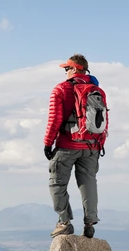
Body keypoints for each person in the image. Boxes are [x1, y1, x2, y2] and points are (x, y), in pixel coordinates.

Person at [43, 54, 108, 238]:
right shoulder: (97, 91)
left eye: (66, 69)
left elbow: (54, 119)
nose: (65, 72)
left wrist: (48, 143)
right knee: (88, 182)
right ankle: (90, 223)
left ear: (73, 69)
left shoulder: (61, 89)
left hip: (67, 145)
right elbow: (104, 121)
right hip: (92, 147)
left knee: (57, 182)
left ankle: (64, 222)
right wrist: (99, 144)